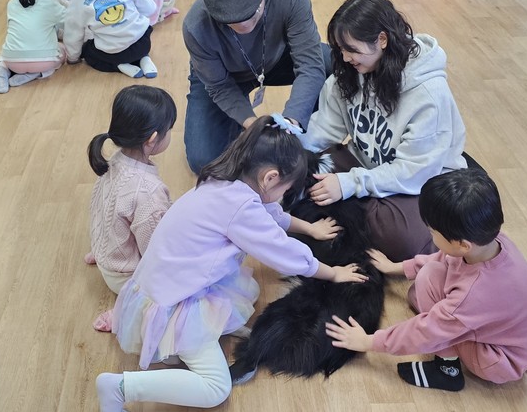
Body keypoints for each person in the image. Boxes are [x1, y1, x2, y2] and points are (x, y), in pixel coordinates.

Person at [95, 115, 367, 411]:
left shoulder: (226, 179)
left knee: (246, 290)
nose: (284, 196)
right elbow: (284, 251)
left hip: (162, 280)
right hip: (174, 299)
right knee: (216, 388)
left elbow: (271, 214)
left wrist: (310, 228)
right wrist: (332, 273)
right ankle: (120, 387)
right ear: (270, 178)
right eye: (286, 189)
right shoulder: (241, 208)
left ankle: (177, 346)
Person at [325, 168, 527, 392]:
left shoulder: (473, 295)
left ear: (463, 244)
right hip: (520, 337)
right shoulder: (494, 241)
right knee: (429, 278)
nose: (430, 235)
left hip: (495, 361)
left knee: (429, 292)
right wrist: (395, 267)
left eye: (432, 232)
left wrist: (368, 341)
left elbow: (426, 331)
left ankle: (447, 370)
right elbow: (445, 257)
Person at [300, 0, 467, 261]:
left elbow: (414, 172)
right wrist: (290, 157)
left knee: (402, 240)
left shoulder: (429, 95)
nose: (345, 58)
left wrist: (349, 184)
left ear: (382, 40)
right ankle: (359, 212)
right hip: (365, 165)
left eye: (352, 50)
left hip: (420, 181)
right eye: (340, 49)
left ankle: (355, 213)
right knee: (308, 171)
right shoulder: (350, 73)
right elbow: (322, 132)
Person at [182, 0, 331, 174]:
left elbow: (310, 64)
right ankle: (236, 126)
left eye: (251, 13)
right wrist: (251, 125)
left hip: (277, 58)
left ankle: (310, 127)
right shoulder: (196, 26)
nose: (243, 26)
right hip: (225, 74)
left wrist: (292, 121)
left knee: (335, 62)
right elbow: (219, 86)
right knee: (203, 159)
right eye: (230, 20)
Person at [86, 85, 176, 296]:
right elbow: (155, 253)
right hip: (127, 279)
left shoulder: (116, 160)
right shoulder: (147, 191)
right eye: (170, 129)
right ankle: (126, 309)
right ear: (152, 139)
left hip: (107, 258)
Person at [0, 0, 67, 94]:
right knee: (62, 51)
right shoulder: (50, 3)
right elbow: (68, 22)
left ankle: (1, 72)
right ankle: (35, 74)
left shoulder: (11, 3)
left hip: (12, 62)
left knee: (3, 53)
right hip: (43, 62)